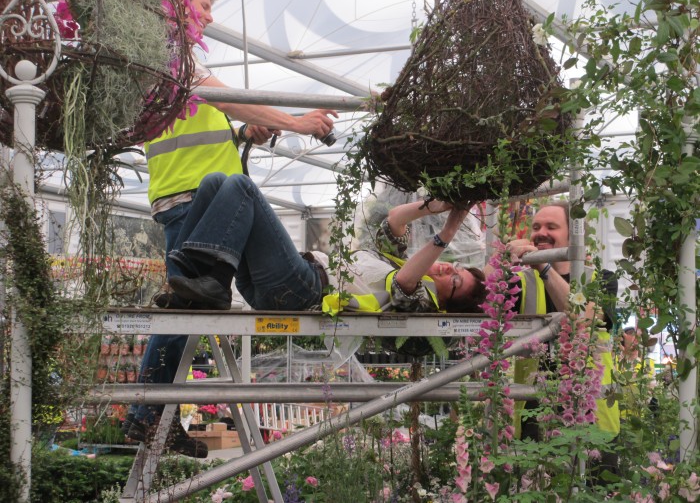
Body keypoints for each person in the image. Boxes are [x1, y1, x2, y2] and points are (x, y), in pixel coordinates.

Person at [123, 0, 337, 457]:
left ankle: (153, 415)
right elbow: (224, 97)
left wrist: (245, 131)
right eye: (203, 6)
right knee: (184, 311)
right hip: (189, 198)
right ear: (179, 6)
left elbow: (212, 114)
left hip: (201, 197)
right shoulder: (171, 57)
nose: (211, 17)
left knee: (192, 307)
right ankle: (147, 414)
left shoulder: (179, 58)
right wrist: (296, 122)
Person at [166, 173, 487, 316]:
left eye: (455, 282)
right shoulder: (396, 264)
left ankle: (216, 286)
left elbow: (405, 284)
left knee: (241, 187)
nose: (448, 269)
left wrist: (448, 230)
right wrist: (439, 205)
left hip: (304, 288)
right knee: (214, 183)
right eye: (456, 268)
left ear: (447, 303)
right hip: (277, 284)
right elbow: (395, 219)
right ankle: (183, 289)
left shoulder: (423, 302)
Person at [498, 202, 619, 444]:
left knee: (594, 479)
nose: (541, 233)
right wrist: (499, 258)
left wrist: (543, 267)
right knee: (536, 481)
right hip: (535, 409)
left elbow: (582, 318)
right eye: (536, 227)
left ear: (574, 237)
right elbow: (482, 300)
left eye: (551, 227)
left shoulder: (601, 279)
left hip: (591, 410)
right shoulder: (520, 282)